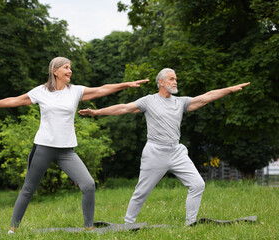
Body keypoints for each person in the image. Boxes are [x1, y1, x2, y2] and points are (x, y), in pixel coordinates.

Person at [0, 56, 149, 233]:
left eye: (70, 67)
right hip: (43, 148)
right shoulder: (41, 91)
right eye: (65, 67)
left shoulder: (76, 91)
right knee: (28, 189)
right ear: (55, 71)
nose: (70, 70)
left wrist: (126, 84)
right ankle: (12, 231)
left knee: (88, 185)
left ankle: (89, 229)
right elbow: (14, 100)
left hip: (66, 151)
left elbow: (102, 89)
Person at [79, 68, 250, 226]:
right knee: (141, 192)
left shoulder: (181, 102)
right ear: (161, 82)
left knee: (198, 184)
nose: (175, 82)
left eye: (176, 79)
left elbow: (206, 97)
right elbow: (123, 108)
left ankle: (191, 223)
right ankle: (128, 225)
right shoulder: (149, 101)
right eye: (171, 79)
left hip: (176, 151)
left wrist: (228, 89)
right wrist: (96, 112)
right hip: (155, 152)